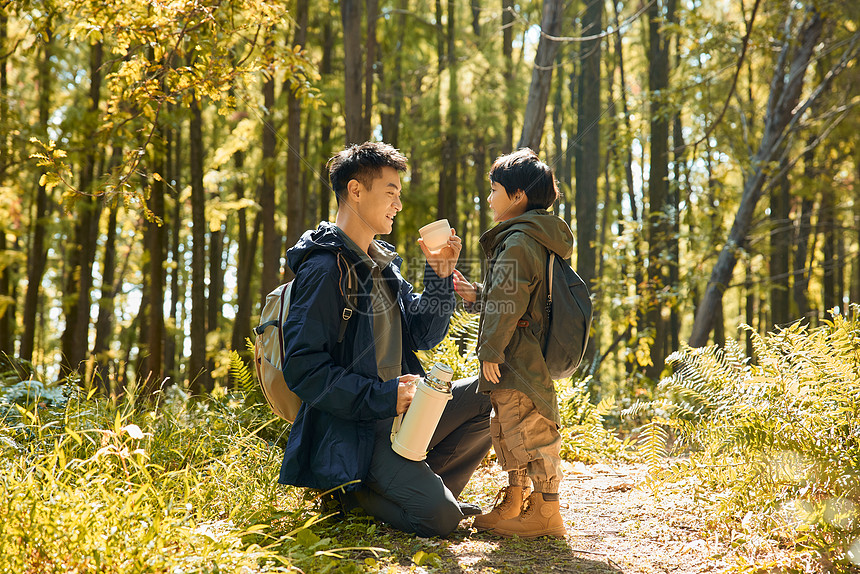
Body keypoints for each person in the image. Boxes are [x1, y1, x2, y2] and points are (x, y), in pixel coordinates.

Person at [277, 141, 492, 538]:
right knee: (443, 520)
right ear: (356, 190)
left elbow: (423, 334)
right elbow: (303, 369)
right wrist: (383, 396)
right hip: (359, 430)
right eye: (390, 192)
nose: (398, 204)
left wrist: (441, 276)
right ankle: (352, 494)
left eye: (399, 195)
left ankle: (422, 485)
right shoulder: (325, 269)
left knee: (488, 392)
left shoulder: (382, 265)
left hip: (405, 420)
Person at [452, 148, 572, 538]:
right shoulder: (527, 237)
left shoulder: (519, 241)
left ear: (518, 196)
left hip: (517, 355)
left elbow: (510, 301)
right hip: (519, 348)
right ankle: (516, 500)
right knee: (507, 425)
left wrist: (490, 349)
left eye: (494, 189)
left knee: (529, 428)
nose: (488, 198)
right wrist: (477, 295)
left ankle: (546, 511)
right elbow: (514, 293)